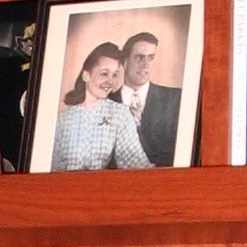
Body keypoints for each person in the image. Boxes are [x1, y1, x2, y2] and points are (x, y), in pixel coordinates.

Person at [49, 42, 153, 172]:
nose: (110, 81)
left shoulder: (120, 114)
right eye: (104, 74)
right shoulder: (63, 118)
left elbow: (135, 162)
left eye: (114, 75)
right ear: (86, 75)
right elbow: (51, 167)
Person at [116, 30, 182, 166]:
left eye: (150, 58)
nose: (146, 65)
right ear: (124, 62)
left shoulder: (176, 99)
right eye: (139, 58)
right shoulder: (105, 102)